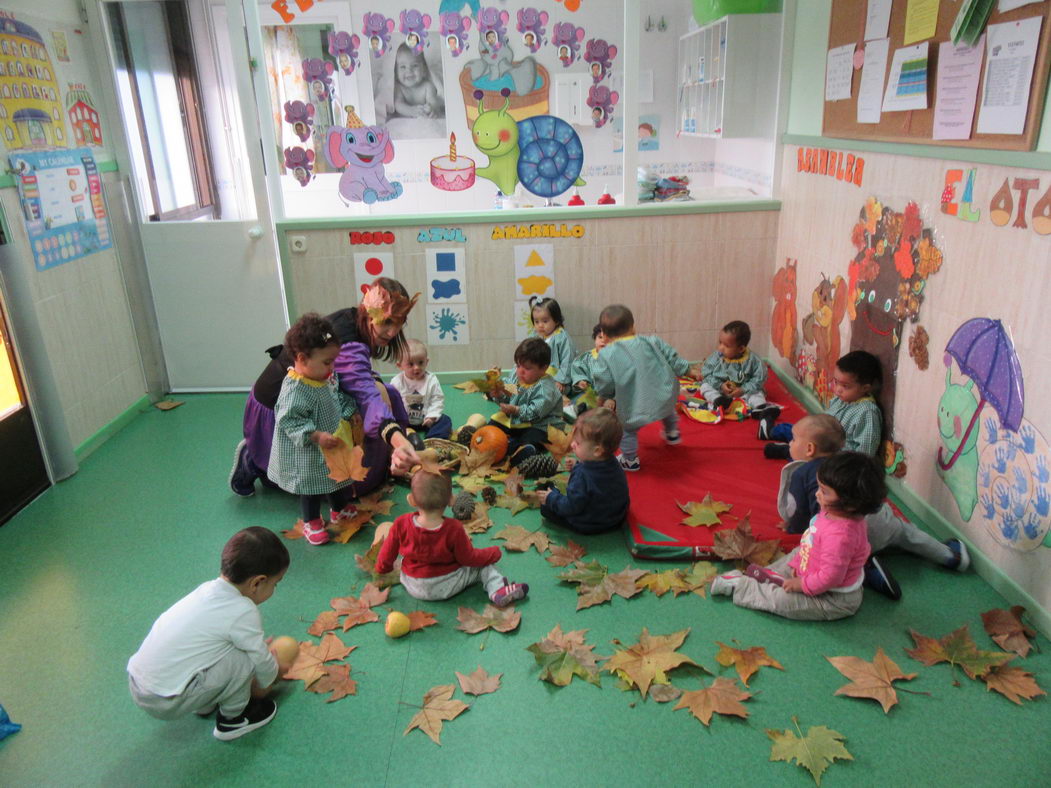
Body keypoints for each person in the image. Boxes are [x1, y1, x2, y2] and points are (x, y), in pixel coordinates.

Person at [230, 278, 421, 498]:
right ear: (367, 311)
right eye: (387, 322)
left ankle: (264, 463)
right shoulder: (348, 340)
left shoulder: (355, 320)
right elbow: (368, 397)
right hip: (279, 407)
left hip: (315, 389)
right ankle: (254, 458)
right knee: (335, 480)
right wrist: (398, 440)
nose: (392, 332)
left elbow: (356, 378)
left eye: (399, 324)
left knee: (382, 391)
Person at [776, 414, 970, 599]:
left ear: (809, 449)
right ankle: (950, 557)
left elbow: (801, 512)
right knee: (908, 534)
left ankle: (870, 572)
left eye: (793, 440)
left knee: (844, 559)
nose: (790, 444)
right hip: (879, 519)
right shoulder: (849, 464)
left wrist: (792, 526)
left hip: (845, 536)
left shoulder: (802, 473)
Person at [127, 527, 292, 741]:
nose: (274, 589)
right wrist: (273, 673)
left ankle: (204, 703)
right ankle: (232, 720)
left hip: (140, 684)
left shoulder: (206, 591)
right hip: (166, 700)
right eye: (275, 583)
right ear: (257, 582)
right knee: (244, 658)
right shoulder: (243, 610)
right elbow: (260, 657)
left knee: (222, 646)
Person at [710, 452, 885, 621]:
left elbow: (831, 577)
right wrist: (799, 567)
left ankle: (740, 585)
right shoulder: (839, 511)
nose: (817, 494)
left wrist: (802, 585)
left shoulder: (841, 536)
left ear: (851, 504)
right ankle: (767, 577)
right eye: (819, 487)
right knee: (794, 555)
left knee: (781, 601)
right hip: (808, 562)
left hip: (834, 597)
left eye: (824, 492)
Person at [267, 313, 359, 546]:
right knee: (311, 486)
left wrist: (349, 411)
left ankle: (338, 509)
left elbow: (334, 398)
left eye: (333, 361)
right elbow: (289, 420)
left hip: (330, 441)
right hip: (307, 450)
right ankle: (312, 521)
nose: (332, 367)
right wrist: (315, 435)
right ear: (301, 358)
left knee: (335, 477)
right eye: (327, 362)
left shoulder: (323, 376)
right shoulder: (295, 389)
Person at [375, 471, 528, 606]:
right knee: (484, 566)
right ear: (450, 500)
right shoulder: (453, 528)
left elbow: (386, 555)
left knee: (403, 558)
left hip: (413, 584)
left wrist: (383, 568)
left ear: (411, 500)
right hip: (448, 584)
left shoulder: (401, 523)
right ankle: (497, 589)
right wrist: (493, 553)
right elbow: (468, 558)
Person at [590, 304, 701, 472]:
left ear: (604, 335)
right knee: (668, 409)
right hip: (664, 393)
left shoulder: (606, 354)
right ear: (633, 327)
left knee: (627, 428)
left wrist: (604, 396)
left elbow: (604, 380)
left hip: (635, 402)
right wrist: (688, 371)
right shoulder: (652, 341)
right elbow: (673, 358)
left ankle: (629, 460)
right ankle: (672, 433)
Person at [759, 349, 883, 460]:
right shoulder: (843, 398)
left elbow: (865, 455)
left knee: (809, 456)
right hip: (820, 439)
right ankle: (770, 431)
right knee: (796, 430)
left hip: (831, 456)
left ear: (865, 388)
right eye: (836, 382)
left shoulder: (867, 413)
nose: (838, 389)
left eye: (845, 386)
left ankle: (787, 451)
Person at [537, 408, 629, 534]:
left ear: (597, 451)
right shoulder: (612, 461)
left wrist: (551, 499)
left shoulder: (582, 476)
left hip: (589, 523)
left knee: (546, 507)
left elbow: (570, 507)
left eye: (578, 443)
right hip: (616, 516)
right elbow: (597, 479)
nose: (573, 444)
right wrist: (577, 465)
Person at [491, 336, 564, 468]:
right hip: (518, 420)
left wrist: (515, 410)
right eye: (518, 365)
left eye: (527, 368)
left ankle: (524, 450)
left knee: (534, 437)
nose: (520, 371)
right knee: (494, 423)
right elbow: (508, 396)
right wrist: (499, 394)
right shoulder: (516, 375)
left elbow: (535, 412)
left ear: (543, 368)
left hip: (541, 424)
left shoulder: (546, 388)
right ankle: (504, 443)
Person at [699, 320, 775, 416]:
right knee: (705, 386)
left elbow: (759, 379)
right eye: (720, 343)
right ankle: (718, 400)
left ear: (741, 349)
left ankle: (760, 408)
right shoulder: (717, 356)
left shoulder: (754, 361)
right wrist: (720, 385)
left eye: (726, 345)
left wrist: (743, 389)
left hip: (743, 392)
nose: (720, 348)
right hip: (720, 390)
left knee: (757, 393)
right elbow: (706, 372)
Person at [506, 296, 576, 392]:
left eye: (545, 321)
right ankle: (509, 387)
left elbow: (567, 362)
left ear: (556, 320)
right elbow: (525, 354)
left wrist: (561, 381)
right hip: (534, 374)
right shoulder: (534, 335)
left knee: (553, 391)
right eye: (536, 321)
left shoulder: (562, 338)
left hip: (554, 378)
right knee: (518, 373)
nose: (540, 325)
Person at [390, 338, 451, 439]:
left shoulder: (431, 380)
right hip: (404, 421)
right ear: (400, 365)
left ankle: (432, 439)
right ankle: (408, 438)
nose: (417, 367)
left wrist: (432, 416)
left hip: (426, 420)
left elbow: (437, 399)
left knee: (445, 420)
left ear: (426, 362)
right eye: (411, 364)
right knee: (390, 425)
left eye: (420, 362)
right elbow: (392, 403)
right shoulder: (397, 382)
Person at [392, 43, 443, 119]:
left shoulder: (427, 86)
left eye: (415, 65)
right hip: (405, 124)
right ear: (396, 72)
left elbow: (433, 101)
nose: (409, 70)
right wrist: (411, 111)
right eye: (403, 67)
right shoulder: (399, 88)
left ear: (424, 69)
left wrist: (431, 108)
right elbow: (398, 104)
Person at [568, 323, 608, 414]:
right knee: (581, 403)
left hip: (607, 397)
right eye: (600, 337)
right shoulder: (586, 357)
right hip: (589, 394)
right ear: (595, 339)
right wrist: (581, 380)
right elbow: (577, 370)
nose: (603, 341)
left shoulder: (616, 359)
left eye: (607, 338)